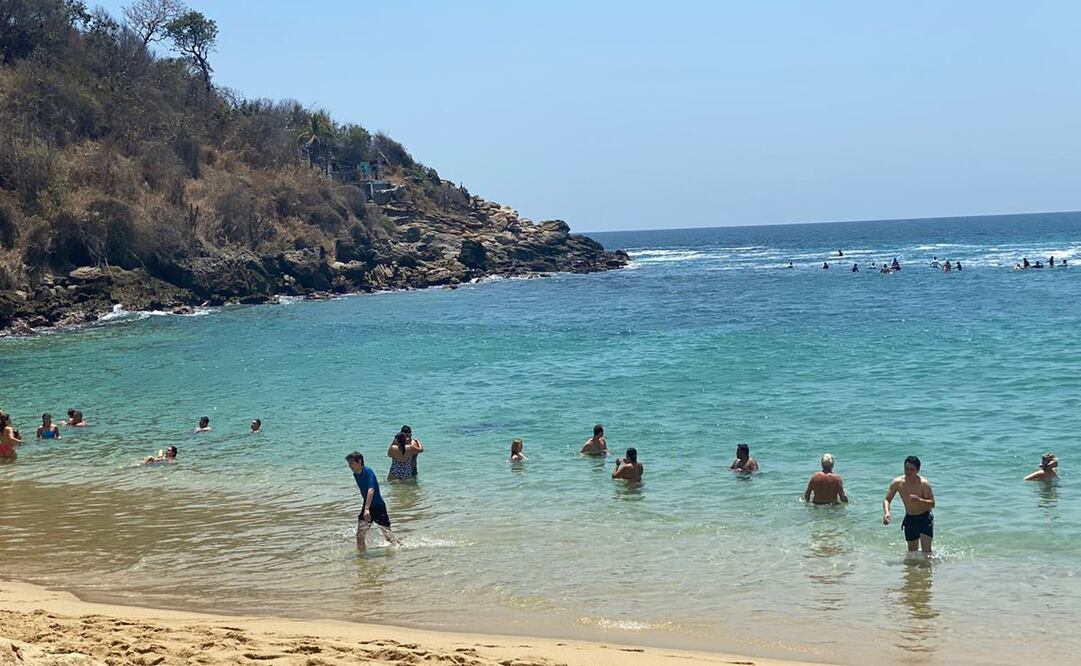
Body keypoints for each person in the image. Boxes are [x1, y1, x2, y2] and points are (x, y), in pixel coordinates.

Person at [883, 456, 935, 556]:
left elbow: (932, 503)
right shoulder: (897, 483)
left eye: (912, 469)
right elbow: (887, 499)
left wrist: (920, 500)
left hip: (925, 517)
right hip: (910, 518)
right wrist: (887, 513)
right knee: (912, 553)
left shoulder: (924, 484)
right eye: (906, 469)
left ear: (917, 470)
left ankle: (928, 570)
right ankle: (913, 572)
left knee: (927, 552)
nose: (908, 472)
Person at [346, 451, 396, 548]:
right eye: (348, 463)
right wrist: (366, 508)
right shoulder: (356, 474)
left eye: (351, 463)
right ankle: (362, 558)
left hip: (378, 506)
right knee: (360, 535)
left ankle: (398, 549)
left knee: (387, 536)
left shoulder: (368, 471)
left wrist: (367, 509)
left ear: (359, 461)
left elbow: (371, 490)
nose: (349, 466)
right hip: (367, 505)